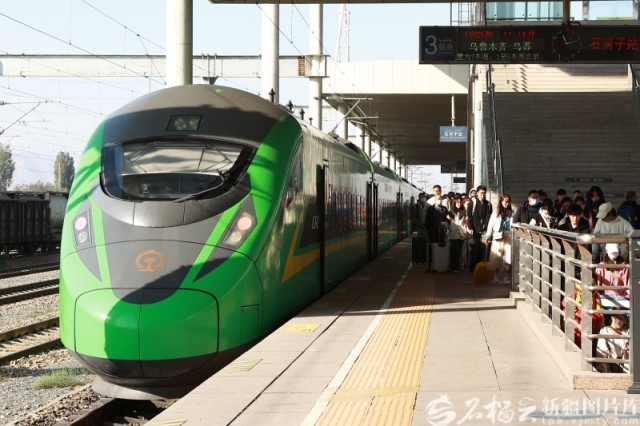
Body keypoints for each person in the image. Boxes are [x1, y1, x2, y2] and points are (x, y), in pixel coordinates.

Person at [486, 193, 513, 283]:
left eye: (508, 202)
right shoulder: (496, 212)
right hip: (498, 236)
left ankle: (505, 277)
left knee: (507, 257)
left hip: (508, 236)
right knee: (497, 256)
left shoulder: (511, 212)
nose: (506, 203)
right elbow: (490, 224)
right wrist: (488, 235)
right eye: (505, 201)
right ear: (501, 201)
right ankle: (495, 276)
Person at [468, 185, 492, 271]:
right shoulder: (472, 203)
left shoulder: (488, 204)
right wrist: (471, 228)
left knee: (483, 250)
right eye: (481, 193)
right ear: (477, 193)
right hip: (475, 230)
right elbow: (469, 217)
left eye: (484, 193)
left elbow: (490, 218)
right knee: (475, 249)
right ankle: (473, 268)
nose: (483, 195)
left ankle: (481, 268)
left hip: (485, 231)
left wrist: (488, 229)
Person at [448, 196, 469, 272]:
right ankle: (453, 267)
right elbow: (448, 222)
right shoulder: (450, 213)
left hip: (461, 234)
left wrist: (468, 230)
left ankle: (456, 267)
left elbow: (466, 222)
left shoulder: (464, 212)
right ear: (454, 203)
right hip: (453, 234)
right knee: (455, 250)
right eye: (457, 202)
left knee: (459, 251)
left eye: (460, 202)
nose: (459, 204)